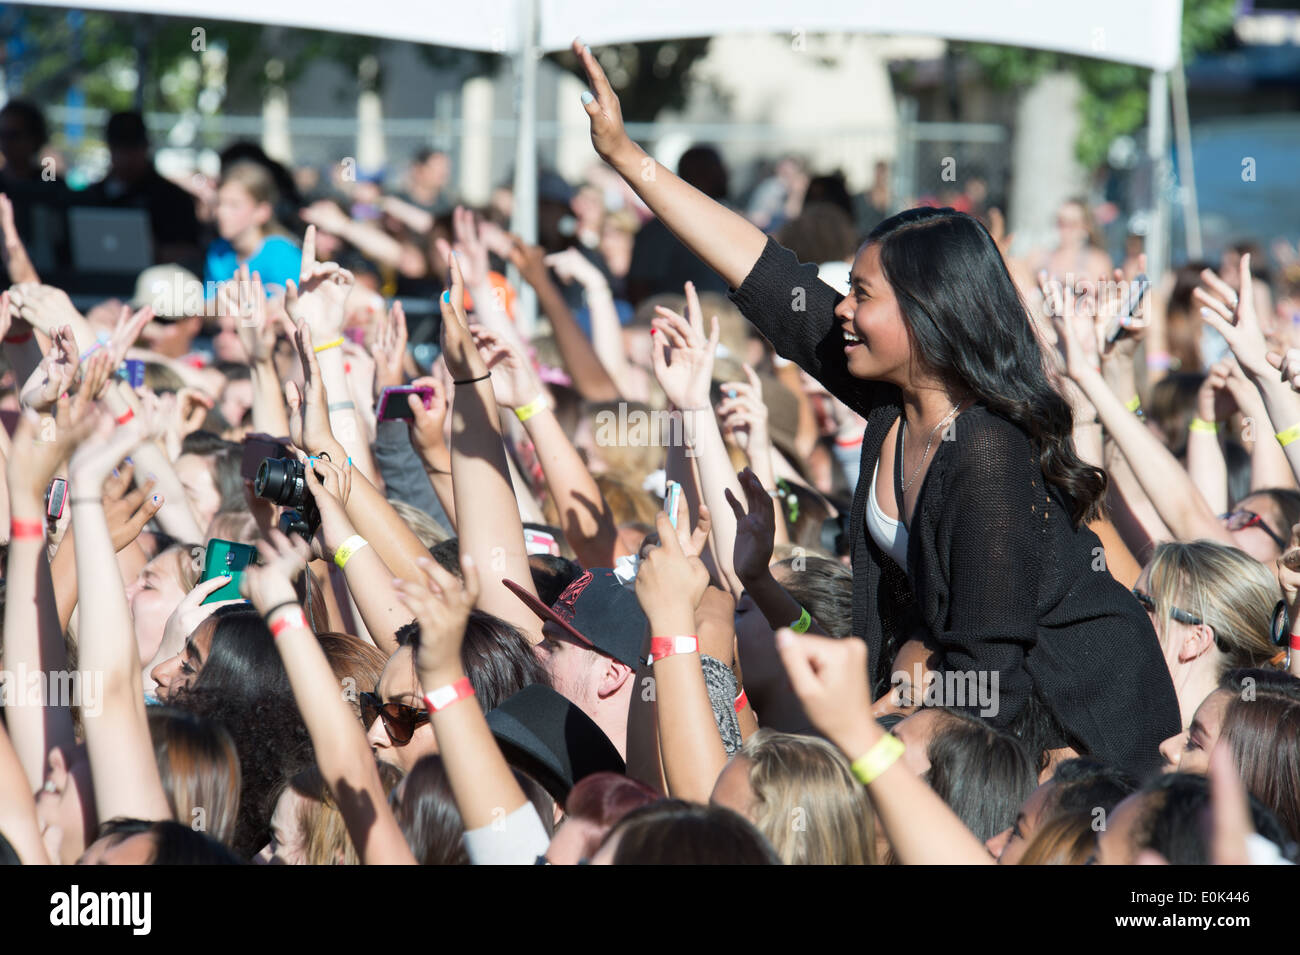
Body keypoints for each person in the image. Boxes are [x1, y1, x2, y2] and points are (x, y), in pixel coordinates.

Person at [572, 40, 1180, 776]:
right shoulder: (896, 399)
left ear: (927, 317)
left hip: (1082, 734)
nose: (844, 312)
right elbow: (764, 272)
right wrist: (627, 158)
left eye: (863, 295)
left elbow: (992, 675)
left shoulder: (986, 451)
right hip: (974, 716)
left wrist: (890, 704)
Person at [82, 111, 201, 268]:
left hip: (155, 284)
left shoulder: (172, 198)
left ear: (145, 147)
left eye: (132, 148)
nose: (126, 157)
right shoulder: (92, 196)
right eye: (120, 148)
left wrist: (154, 251)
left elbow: (191, 252)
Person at [204, 161, 302, 296]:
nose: (221, 212)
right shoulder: (218, 252)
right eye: (219, 203)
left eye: (234, 205)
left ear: (262, 211)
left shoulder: (282, 255)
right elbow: (205, 305)